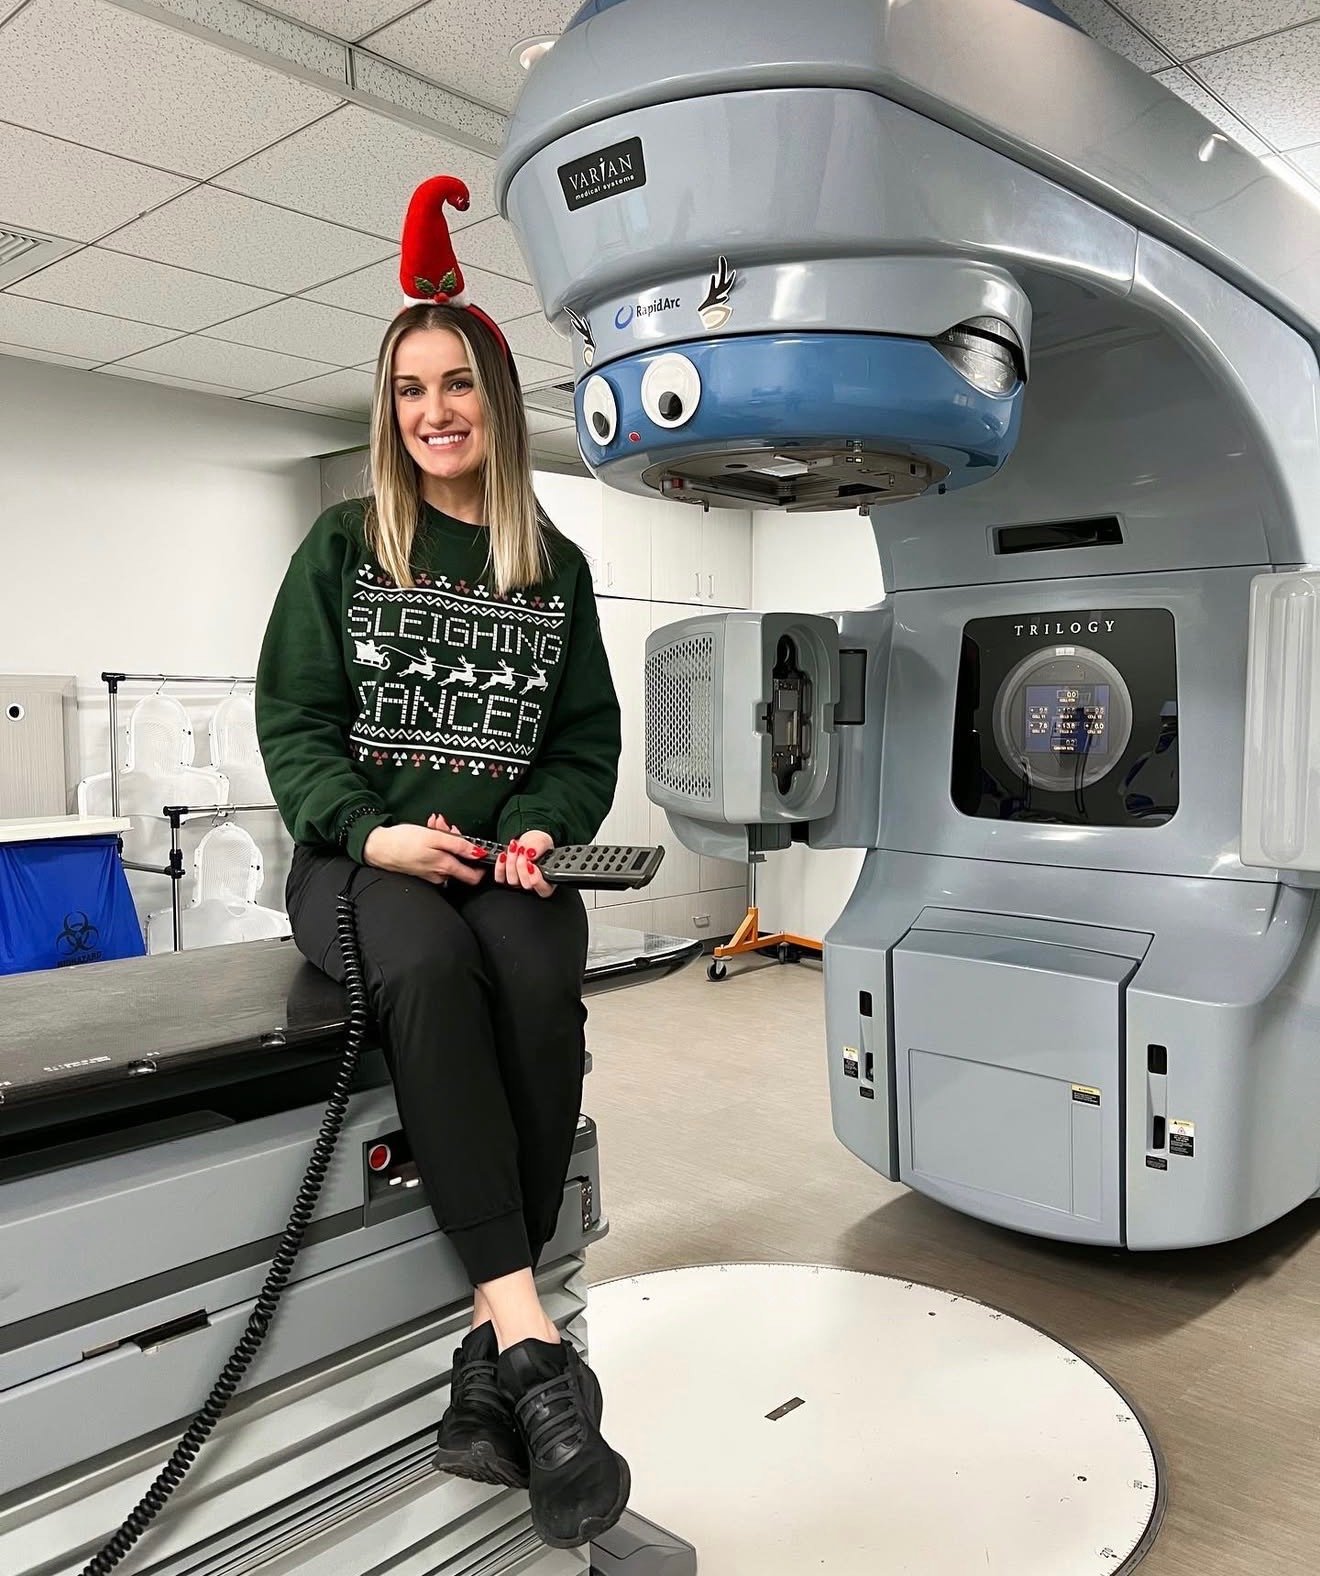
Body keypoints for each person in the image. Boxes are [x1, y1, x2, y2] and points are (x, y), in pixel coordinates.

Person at [254, 176, 628, 1551]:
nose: (434, 411)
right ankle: (531, 1344)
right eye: (410, 388)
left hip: (495, 864)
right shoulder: (345, 546)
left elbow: (585, 737)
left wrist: (536, 824)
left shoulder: (553, 565)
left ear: (498, 398)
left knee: (540, 980)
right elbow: (292, 726)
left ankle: (486, 1380)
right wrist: (372, 832)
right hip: (362, 862)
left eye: (457, 382)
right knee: (423, 970)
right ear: (388, 408)